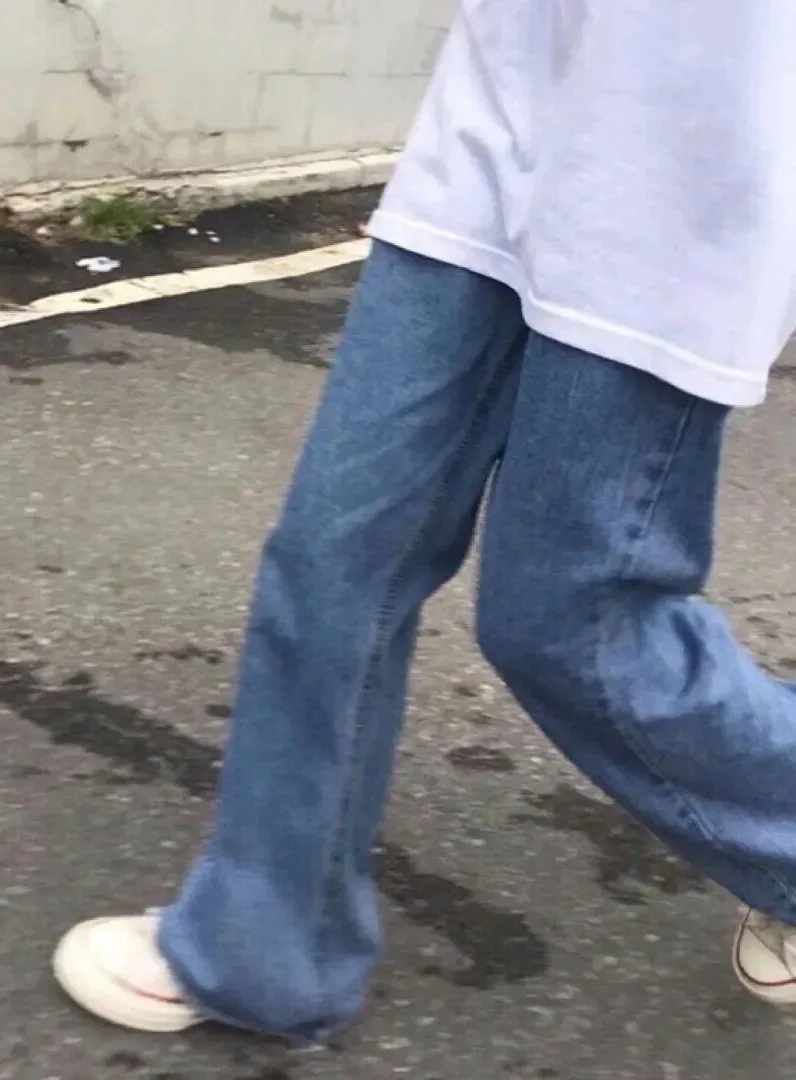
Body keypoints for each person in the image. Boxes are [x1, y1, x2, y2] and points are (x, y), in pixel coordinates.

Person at [52, 1, 796, 1041]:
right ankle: (267, 950)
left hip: (684, 202)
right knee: (333, 557)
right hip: (486, 150)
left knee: (574, 625)